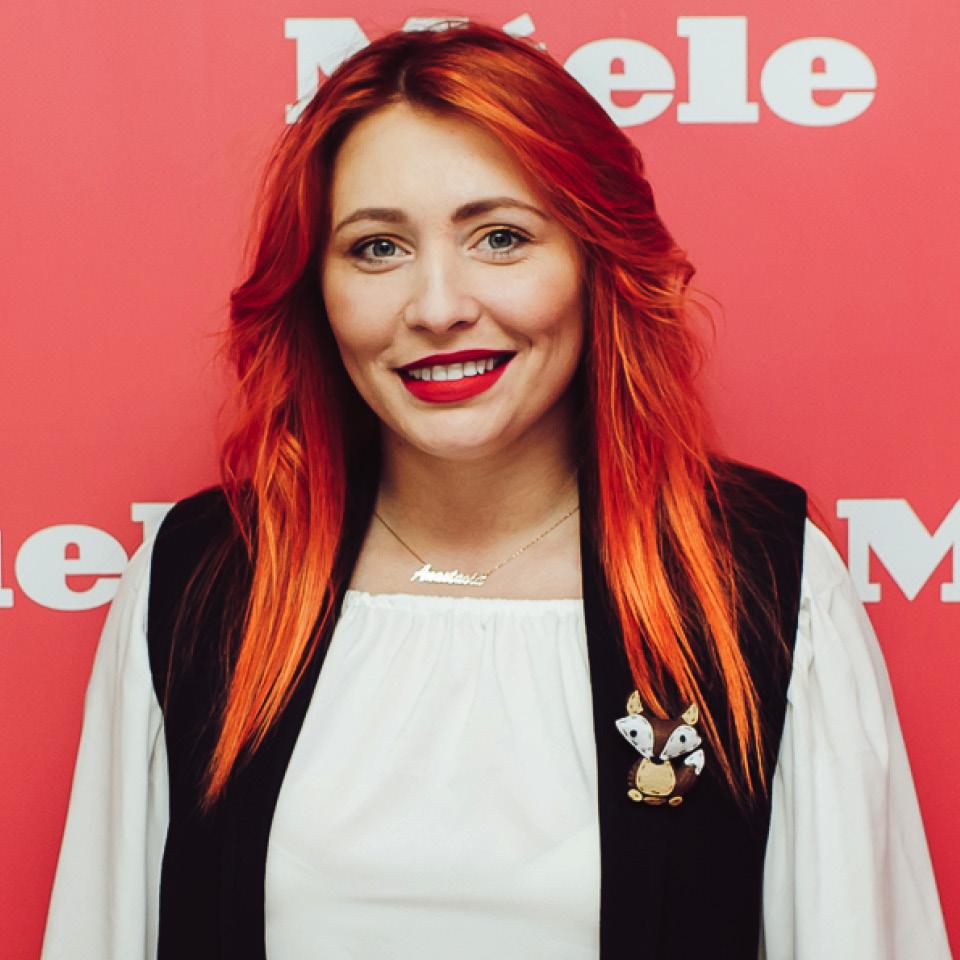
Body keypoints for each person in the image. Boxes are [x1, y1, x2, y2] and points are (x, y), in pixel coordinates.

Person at [41, 19, 950, 960]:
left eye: (501, 237)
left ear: (594, 261)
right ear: (316, 288)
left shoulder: (760, 583)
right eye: (377, 248)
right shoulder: (201, 580)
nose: (438, 307)